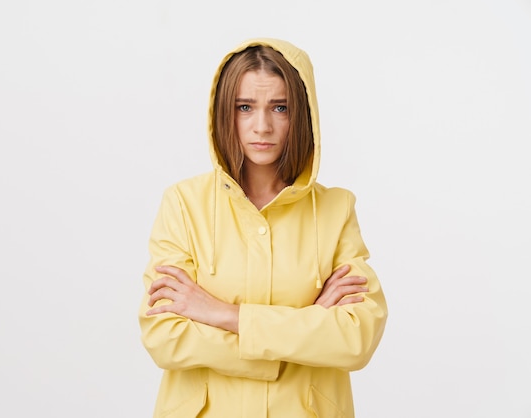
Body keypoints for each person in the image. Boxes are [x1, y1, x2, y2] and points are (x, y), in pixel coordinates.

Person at [138, 37, 387, 417]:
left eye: (280, 107)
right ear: (226, 113)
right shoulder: (184, 204)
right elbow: (164, 337)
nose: (262, 126)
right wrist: (305, 329)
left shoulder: (337, 209)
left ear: (301, 114)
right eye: (245, 107)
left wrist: (222, 314)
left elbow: (356, 338)